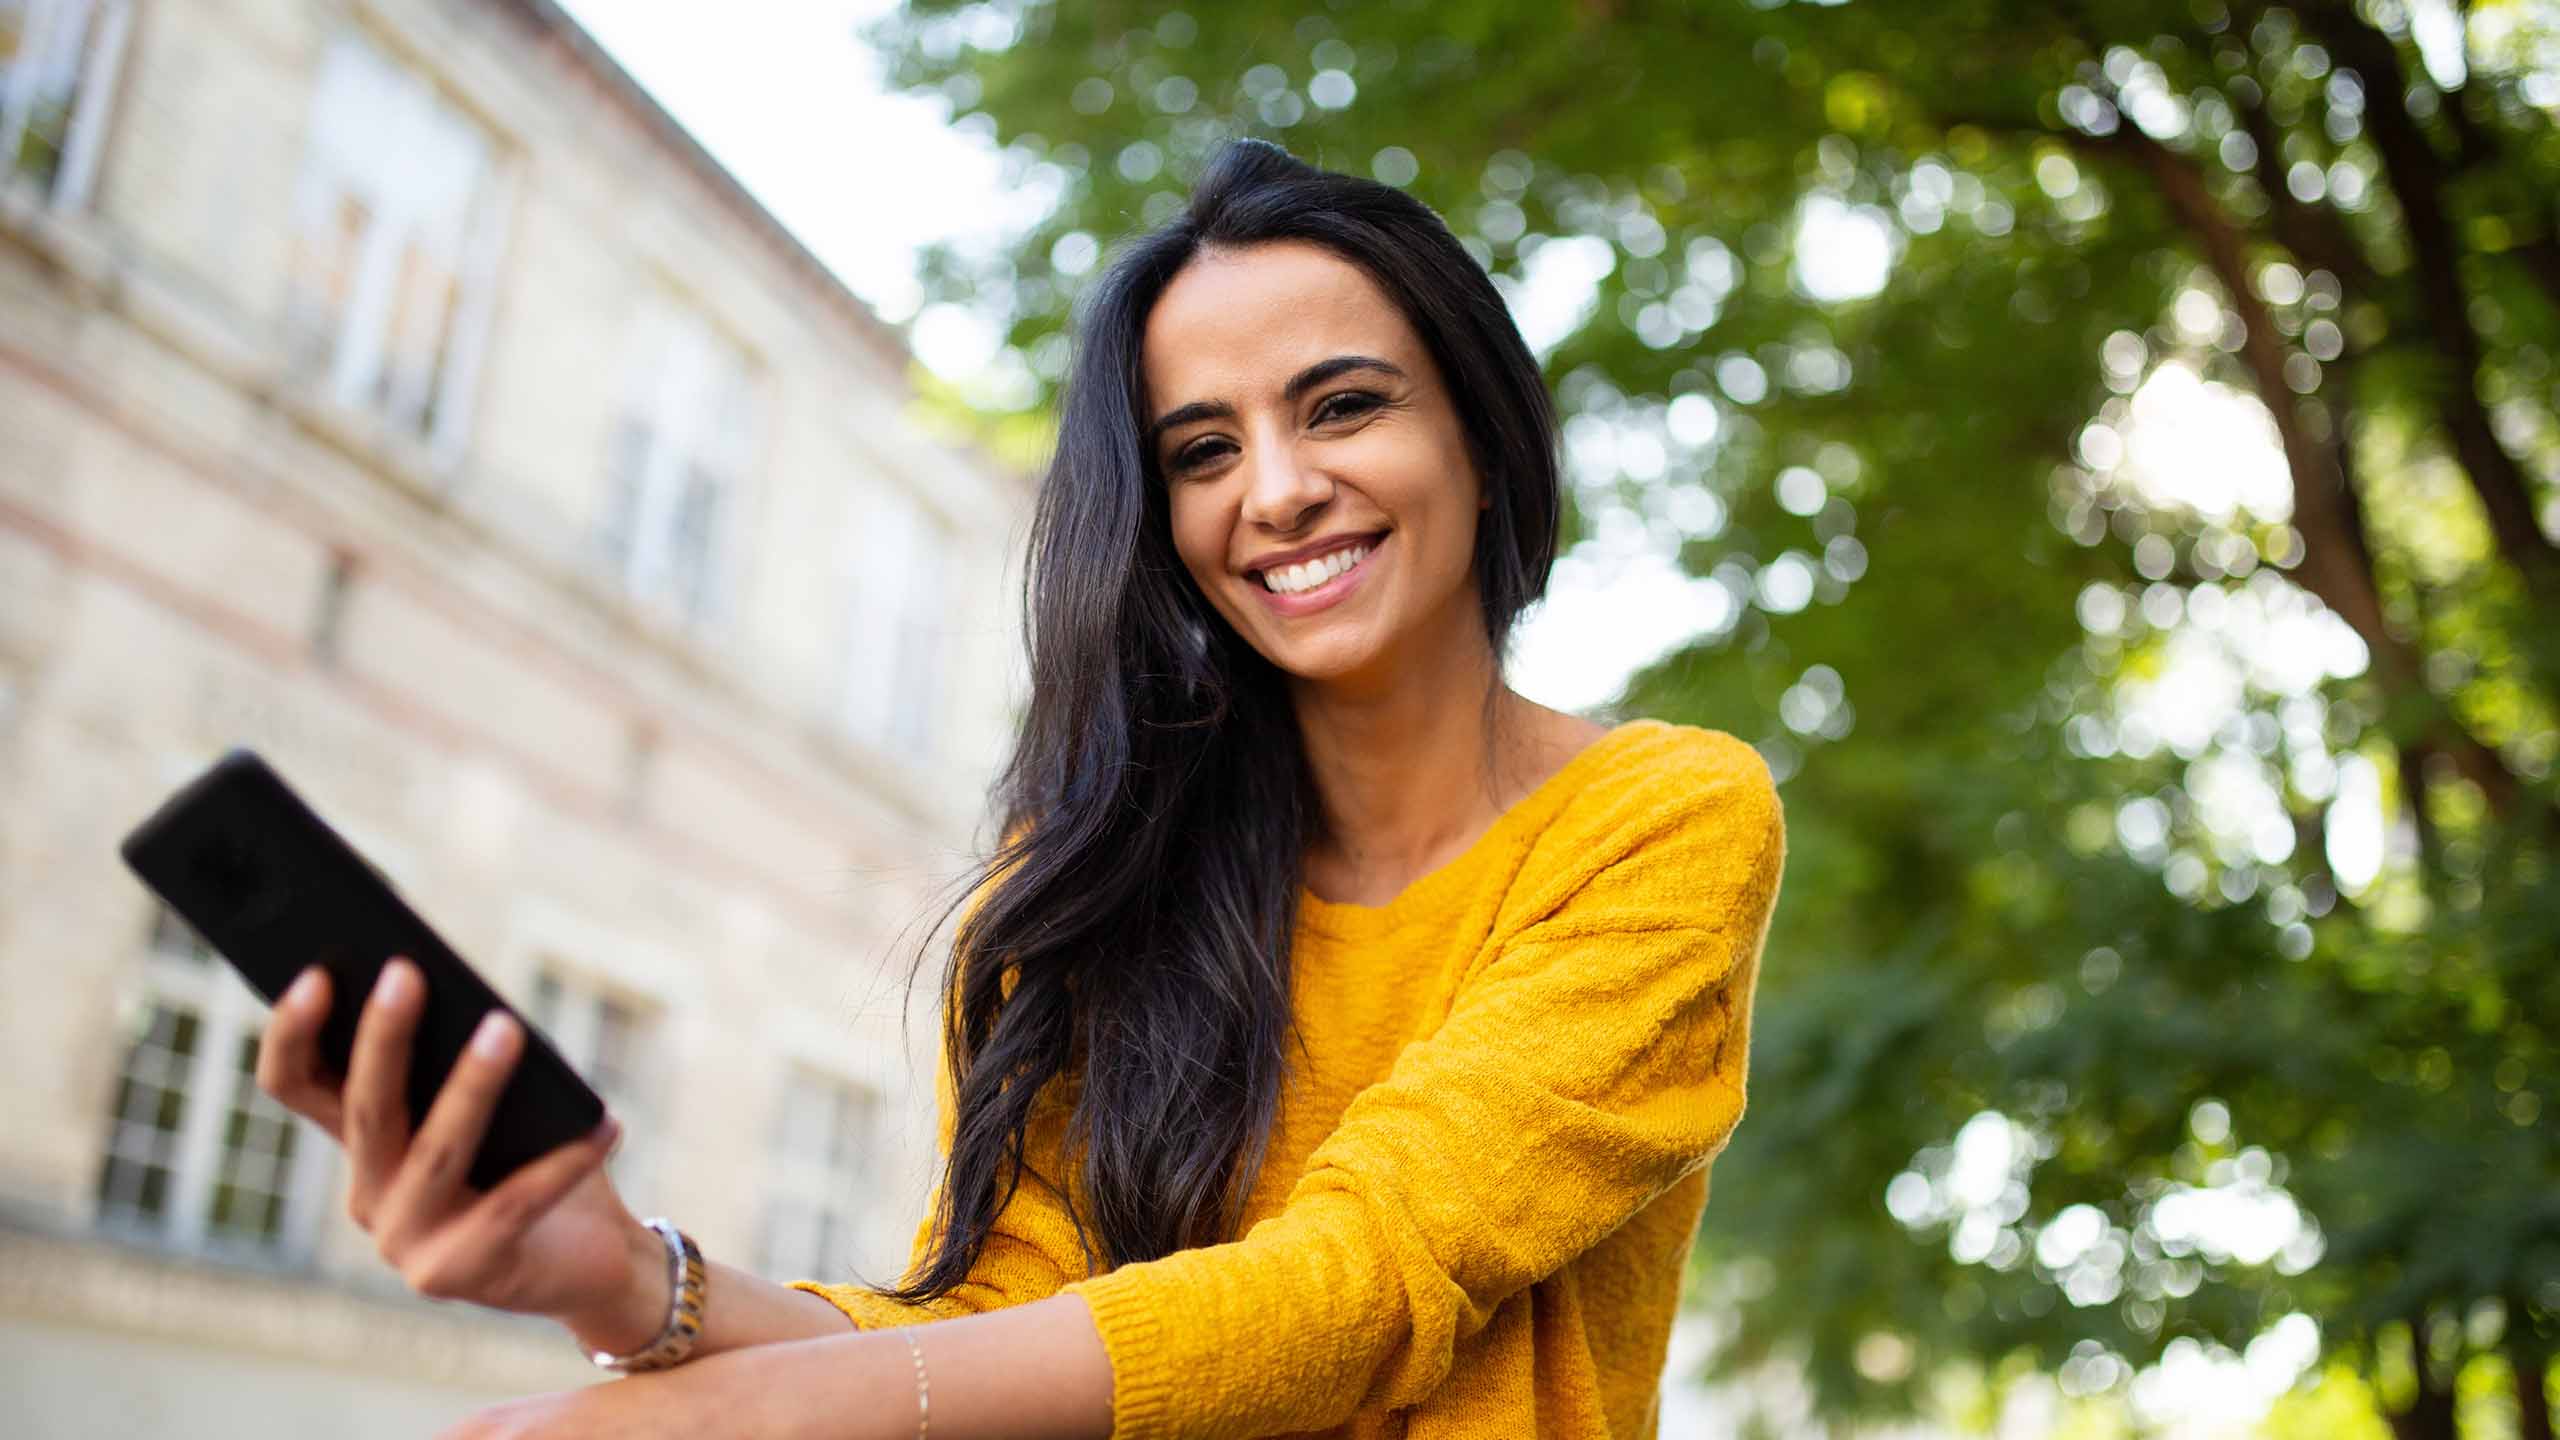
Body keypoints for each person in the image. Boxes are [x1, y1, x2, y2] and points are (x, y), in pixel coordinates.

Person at [255, 137, 1787, 1440]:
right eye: (1201, 448)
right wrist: (619, 1281)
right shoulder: (1107, 872)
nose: (1274, 489)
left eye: (1341, 406)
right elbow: (987, 1334)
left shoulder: (1659, 819)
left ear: (1478, 428)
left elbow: (1367, 1281)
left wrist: (724, 1418)